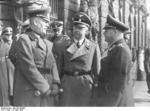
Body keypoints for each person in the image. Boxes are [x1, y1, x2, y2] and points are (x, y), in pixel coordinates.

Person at [9, 0, 60, 106]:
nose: (48, 25)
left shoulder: (46, 42)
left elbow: (53, 64)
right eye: (45, 21)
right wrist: (46, 88)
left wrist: (55, 82)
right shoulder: (24, 39)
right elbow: (29, 67)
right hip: (30, 91)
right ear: (36, 22)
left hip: (47, 90)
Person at [54, 12, 101, 106]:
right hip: (67, 84)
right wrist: (57, 84)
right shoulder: (63, 45)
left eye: (81, 28)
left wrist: (96, 88)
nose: (77, 30)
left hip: (85, 85)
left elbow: (97, 71)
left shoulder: (93, 46)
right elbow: (58, 69)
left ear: (87, 30)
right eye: (75, 27)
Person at [95, 15, 134, 106]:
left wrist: (110, 105)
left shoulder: (120, 50)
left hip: (116, 102)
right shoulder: (115, 48)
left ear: (115, 31)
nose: (103, 33)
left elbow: (118, 84)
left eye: (106, 31)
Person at [1, 27, 15, 106]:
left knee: (12, 90)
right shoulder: (2, 45)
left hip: (12, 70)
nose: (9, 37)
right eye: (6, 35)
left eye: (10, 35)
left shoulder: (15, 44)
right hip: (3, 71)